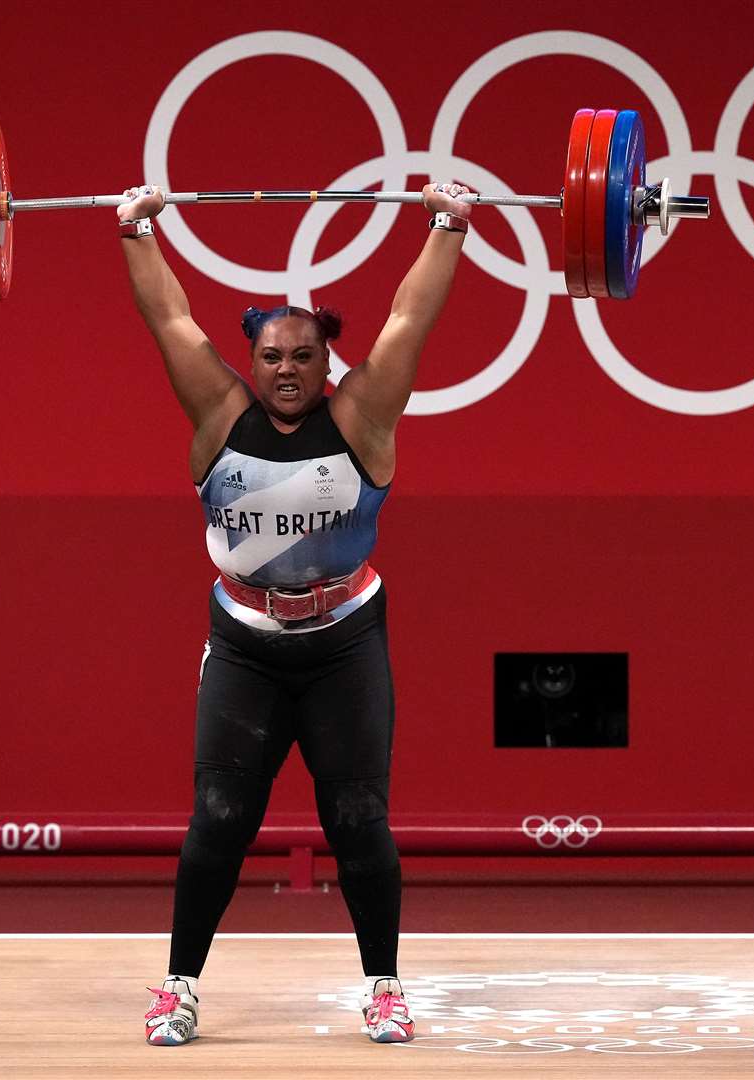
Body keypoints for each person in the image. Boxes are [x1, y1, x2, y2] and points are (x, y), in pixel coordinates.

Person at [115, 180, 473, 1046]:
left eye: (303, 356)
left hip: (345, 641)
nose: (286, 370)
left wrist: (448, 226)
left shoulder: (364, 417)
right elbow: (170, 321)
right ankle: (179, 987)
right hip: (244, 644)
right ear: (253, 358)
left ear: (326, 364)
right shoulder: (216, 414)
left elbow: (407, 323)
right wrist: (134, 231)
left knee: (356, 817)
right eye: (272, 355)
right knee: (221, 817)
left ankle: (383, 987)